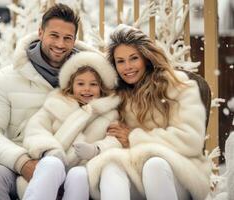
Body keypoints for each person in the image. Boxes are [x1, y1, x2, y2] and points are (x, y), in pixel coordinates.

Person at [0, 3, 97, 200]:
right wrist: (22, 162)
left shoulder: (90, 79)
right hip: (21, 159)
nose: (60, 44)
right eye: (54, 35)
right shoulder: (8, 78)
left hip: (74, 161)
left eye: (67, 38)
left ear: (75, 40)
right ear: (40, 32)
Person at [85, 25, 212, 200]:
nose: (127, 67)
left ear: (146, 58)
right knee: (110, 166)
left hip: (179, 171)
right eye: (120, 61)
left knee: (154, 165)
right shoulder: (119, 95)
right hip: (136, 172)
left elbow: (190, 140)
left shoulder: (178, 86)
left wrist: (134, 138)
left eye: (133, 58)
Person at [21, 51, 121, 200]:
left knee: (79, 175)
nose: (86, 89)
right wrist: (50, 149)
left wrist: (96, 149)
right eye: (80, 84)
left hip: (84, 167)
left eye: (93, 84)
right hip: (54, 163)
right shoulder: (54, 104)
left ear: (102, 88)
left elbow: (115, 140)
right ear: (71, 85)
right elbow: (36, 129)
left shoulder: (110, 114)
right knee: (51, 163)